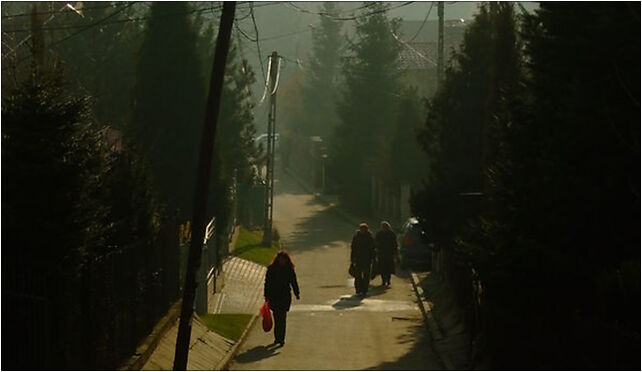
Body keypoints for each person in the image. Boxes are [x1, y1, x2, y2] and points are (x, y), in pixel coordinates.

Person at [264, 250, 300, 346]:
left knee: (282, 318)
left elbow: (293, 282)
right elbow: (267, 283)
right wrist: (266, 296)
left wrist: (297, 293)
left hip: (284, 297)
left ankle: (281, 339)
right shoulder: (271, 269)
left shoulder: (289, 269)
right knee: (277, 318)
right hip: (274, 296)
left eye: (283, 260)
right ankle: (277, 338)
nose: (282, 261)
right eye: (280, 259)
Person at [350, 222, 375, 296]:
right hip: (358, 259)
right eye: (361, 229)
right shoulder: (356, 237)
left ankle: (364, 290)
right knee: (358, 276)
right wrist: (352, 259)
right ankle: (358, 289)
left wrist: (373, 258)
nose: (362, 231)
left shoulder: (369, 237)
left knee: (366, 276)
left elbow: (372, 248)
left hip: (367, 259)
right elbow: (353, 248)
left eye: (363, 229)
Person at [375, 221, 398, 287]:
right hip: (381, 253)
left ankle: (388, 281)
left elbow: (394, 244)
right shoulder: (379, 234)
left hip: (389, 254)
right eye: (382, 227)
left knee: (388, 268)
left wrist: (395, 252)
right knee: (382, 268)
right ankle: (383, 281)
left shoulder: (391, 234)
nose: (383, 228)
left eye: (384, 227)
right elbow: (376, 242)